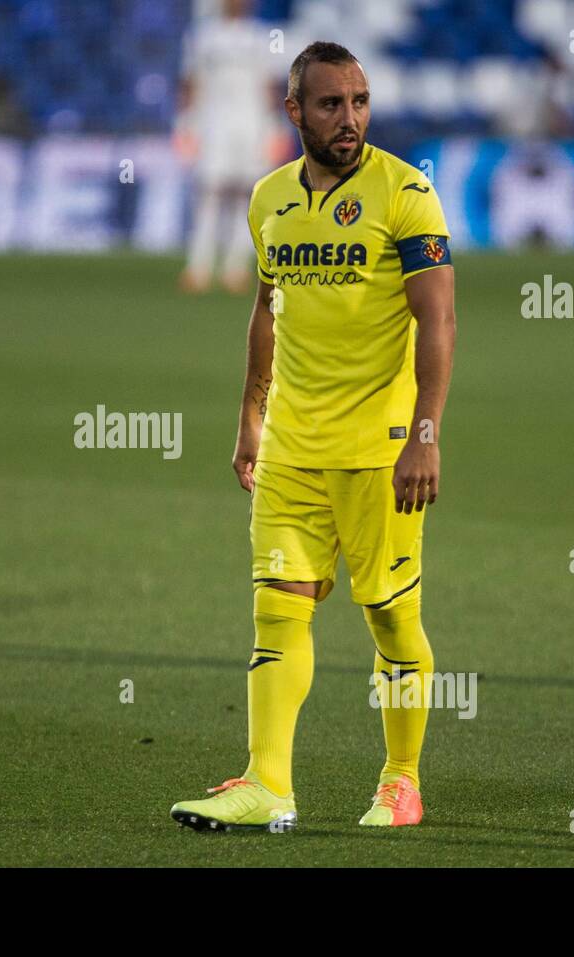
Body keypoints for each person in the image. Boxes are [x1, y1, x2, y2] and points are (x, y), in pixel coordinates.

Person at [170, 41, 457, 830]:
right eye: (332, 104)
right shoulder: (267, 200)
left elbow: (438, 318)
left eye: (360, 102)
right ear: (293, 110)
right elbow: (268, 306)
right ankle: (269, 784)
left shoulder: (407, 192)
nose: (351, 119)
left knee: (393, 617)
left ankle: (401, 780)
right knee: (278, 610)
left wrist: (424, 434)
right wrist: (249, 415)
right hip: (292, 446)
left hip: (380, 448)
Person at [175, 0, 285, 294]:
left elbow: (270, 85)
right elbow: (190, 81)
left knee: (245, 194)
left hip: (252, 124)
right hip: (212, 122)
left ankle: (236, 268)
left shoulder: (262, 37)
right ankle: (198, 267)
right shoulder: (202, 35)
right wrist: (185, 122)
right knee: (209, 191)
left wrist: (274, 126)